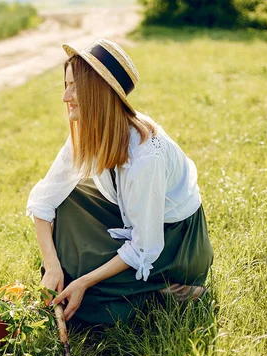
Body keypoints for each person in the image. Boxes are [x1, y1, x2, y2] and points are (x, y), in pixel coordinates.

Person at [26, 38, 213, 327]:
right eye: (66, 85)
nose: (66, 97)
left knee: (86, 292)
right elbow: (44, 200)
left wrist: (85, 281)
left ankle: (174, 289)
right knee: (68, 199)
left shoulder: (145, 157)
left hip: (175, 241)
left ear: (98, 92)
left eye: (75, 86)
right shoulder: (90, 129)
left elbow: (144, 246)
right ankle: (75, 278)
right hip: (129, 216)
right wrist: (51, 266)